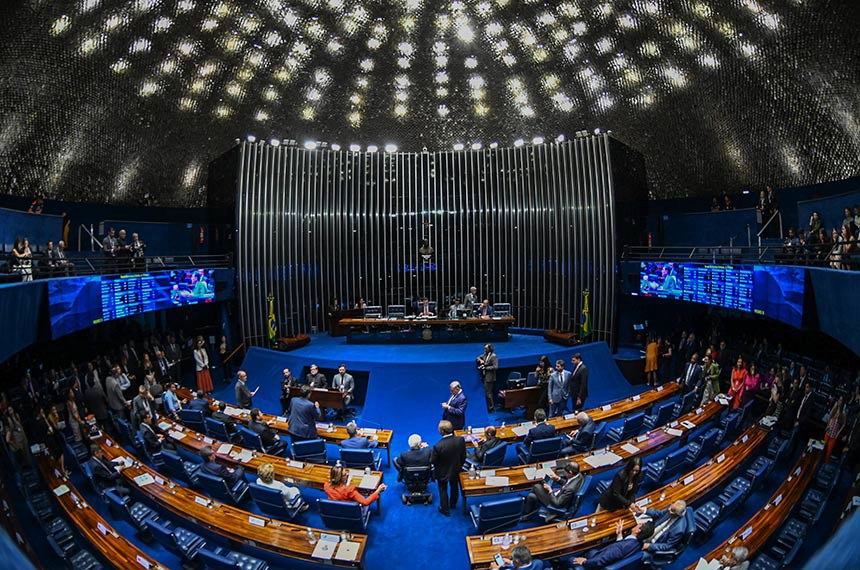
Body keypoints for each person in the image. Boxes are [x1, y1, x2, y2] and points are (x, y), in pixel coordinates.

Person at [570, 519, 655, 569]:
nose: (637, 524)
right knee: (591, 551)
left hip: (597, 565)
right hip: (610, 559)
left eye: (638, 524)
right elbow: (622, 551)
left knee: (571, 559)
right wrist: (619, 535)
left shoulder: (619, 547)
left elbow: (599, 561)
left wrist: (584, 562)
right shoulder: (639, 544)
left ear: (637, 531)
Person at [431, 420, 467, 516]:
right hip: (456, 469)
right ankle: (453, 503)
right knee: (454, 486)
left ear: (442, 431)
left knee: (443, 489)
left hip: (442, 472)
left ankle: (444, 509)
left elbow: (433, 461)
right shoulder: (460, 440)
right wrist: (459, 465)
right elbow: (463, 456)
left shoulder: (438, 446)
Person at [476, 344, 499, 412]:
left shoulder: (494, 356)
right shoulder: (485, 354)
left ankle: (491, 408)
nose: (484, 350)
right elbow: (478, 357)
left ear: (490, 349)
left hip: (489, 377)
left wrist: (486, 368)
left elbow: (495, 367)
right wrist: (480, 360)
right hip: (484, 376)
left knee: (488, 393)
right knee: (486, 393)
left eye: (486, 348)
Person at [824, 396, 846, 463]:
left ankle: (825, 463)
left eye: (841, 400)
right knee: (823, 446)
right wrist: (827, 425)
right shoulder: (834, 409)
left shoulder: (843, 413)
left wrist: (838, 433)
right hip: (828, 432)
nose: (839, 401)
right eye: (839, 400)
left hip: (834, 435)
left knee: (829, 451)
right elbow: (830, 418)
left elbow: (844, 424)